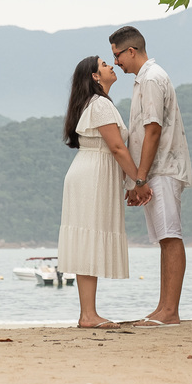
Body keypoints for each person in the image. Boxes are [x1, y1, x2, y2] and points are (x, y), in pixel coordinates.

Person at [57, 55, 149, 329]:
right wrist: (139, 181)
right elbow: (118, 148)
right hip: (92, 175)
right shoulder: (100, 105)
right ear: (96, 77)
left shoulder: (96, 104)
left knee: (88, 238)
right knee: (88, 238)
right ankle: (88, 315)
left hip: (91, 171)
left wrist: (132, 182)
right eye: (104, 65)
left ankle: (88, 313)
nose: (111, 66)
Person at [109, 26, 192, 327]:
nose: (116, 62)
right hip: (153, 171)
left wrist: (140, 178)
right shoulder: (143, 80)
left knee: (171, 236)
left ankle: (170, 312)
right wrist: (137, 180)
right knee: (163, 238)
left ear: (131, 51)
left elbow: (153, 130)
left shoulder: (153, 78)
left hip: (162, 169)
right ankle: (162, 308)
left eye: (117, 55)